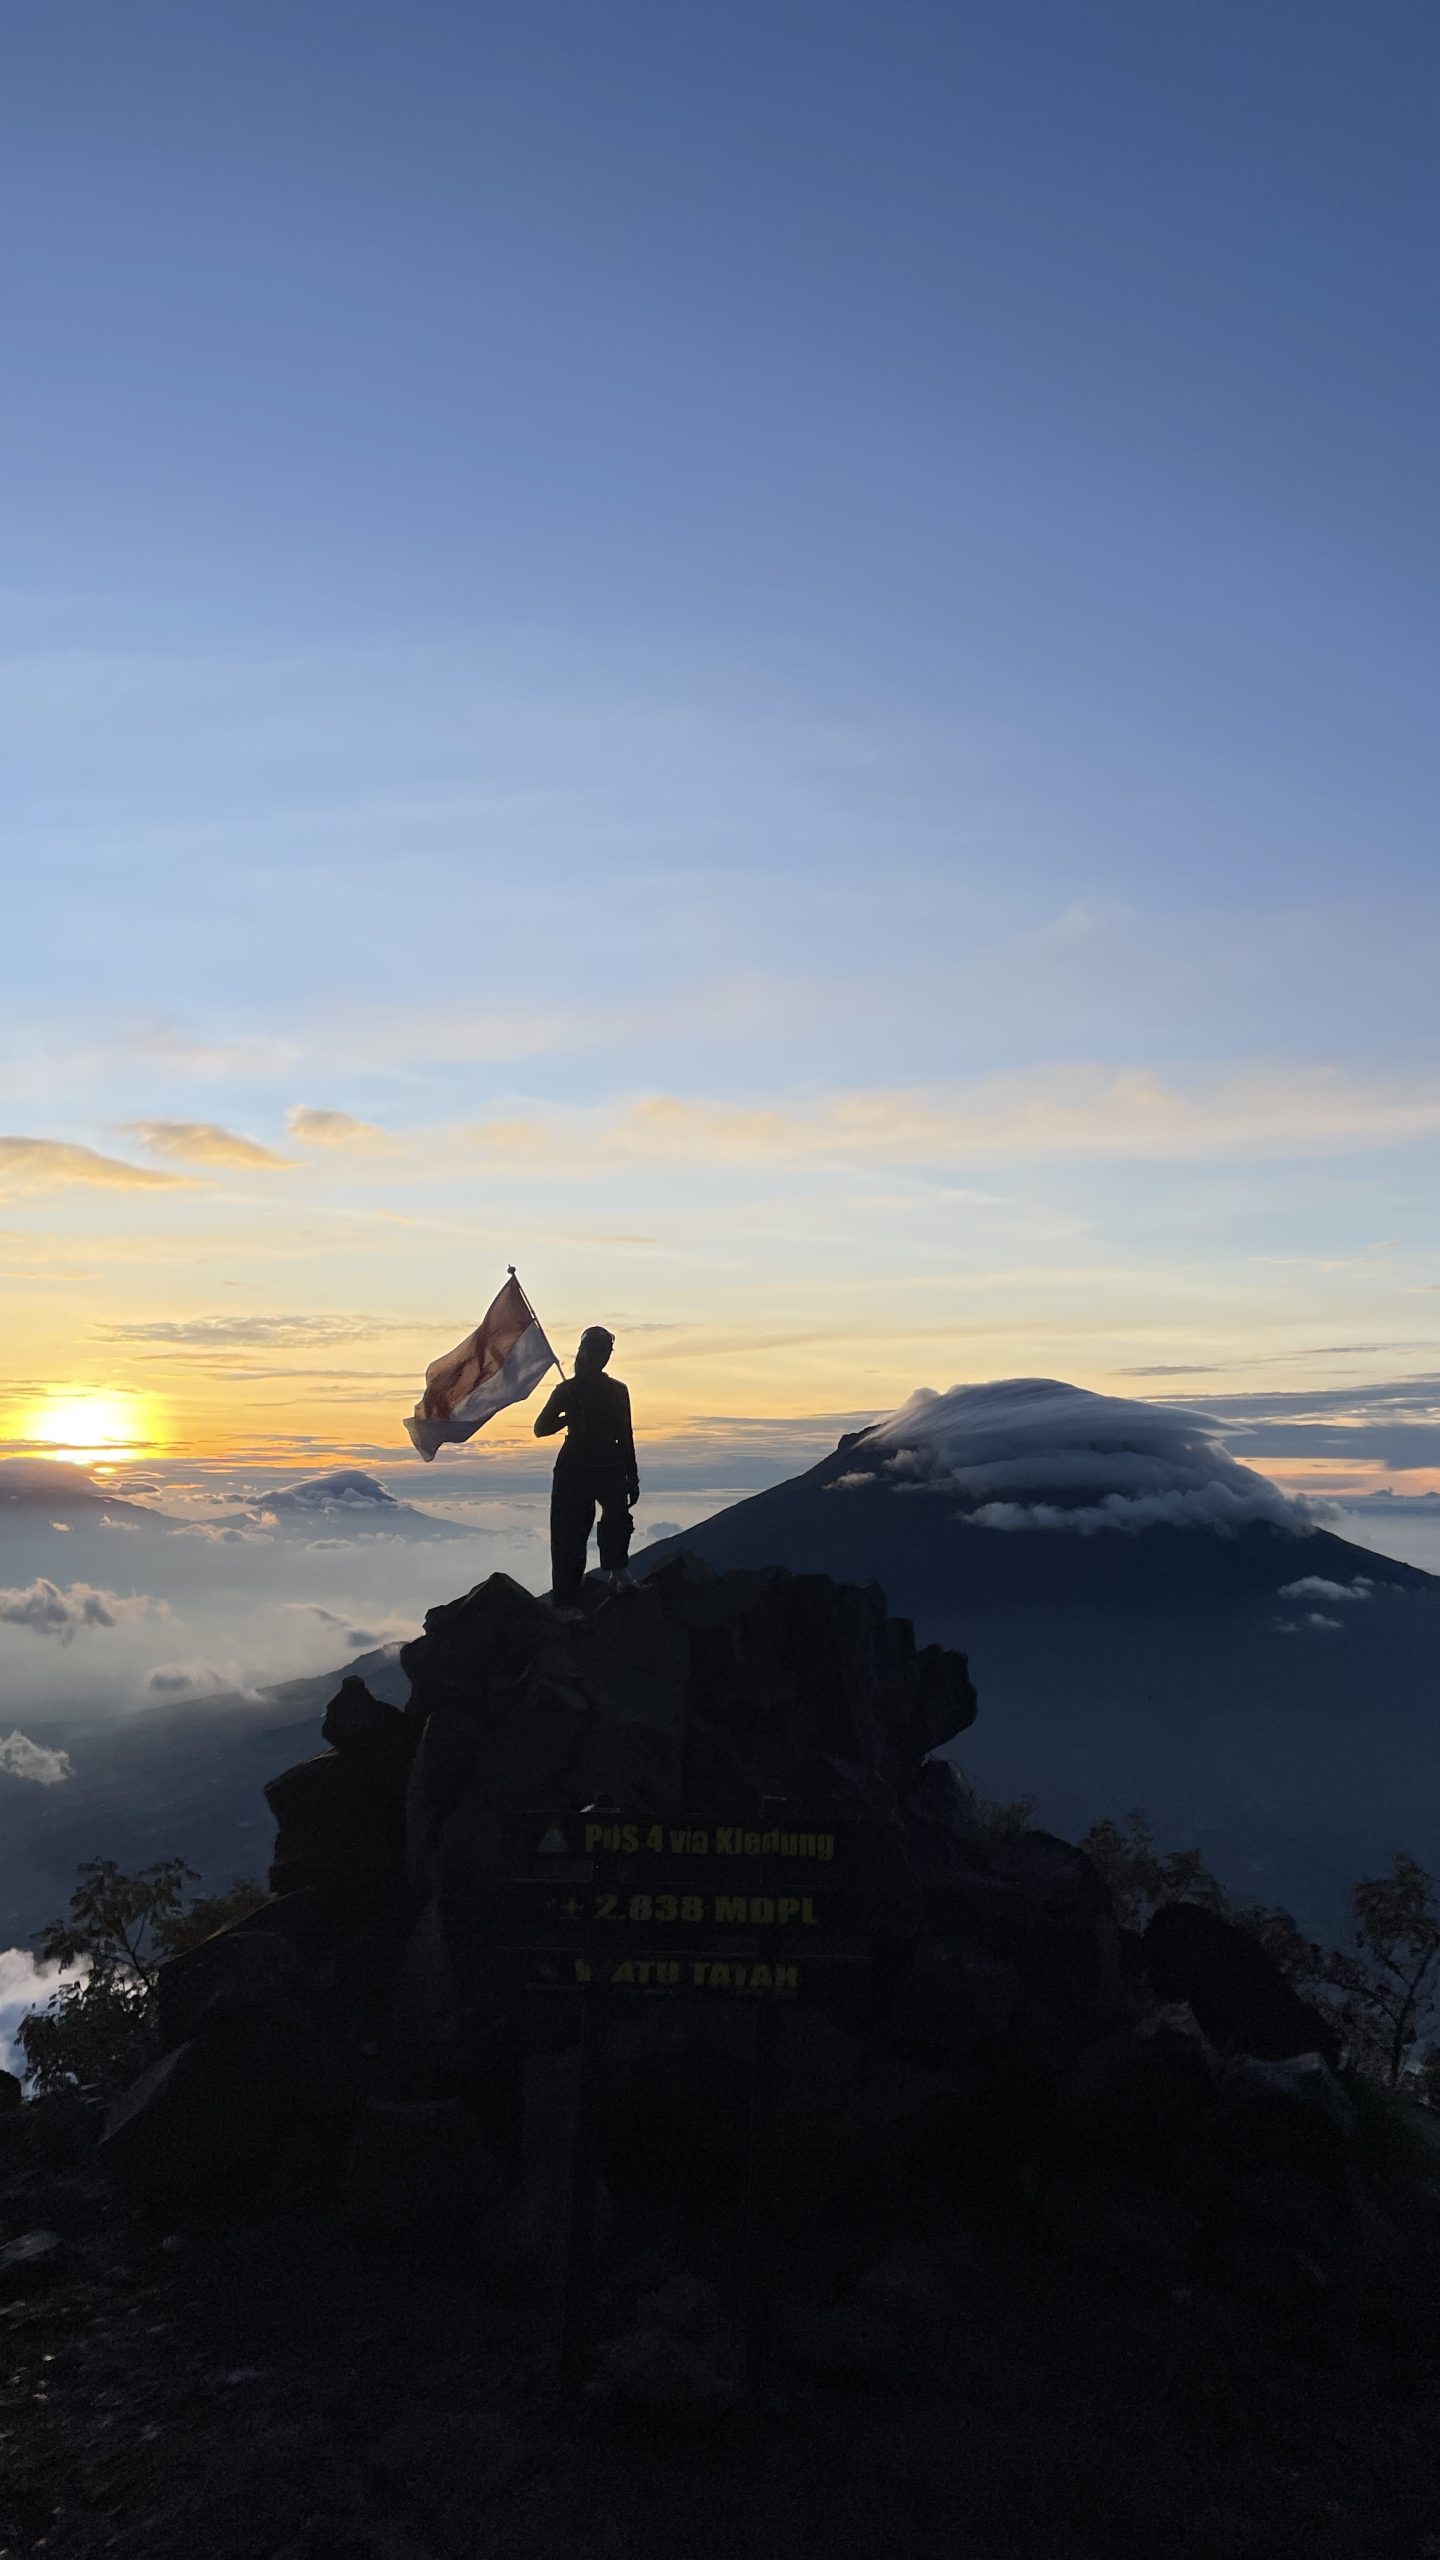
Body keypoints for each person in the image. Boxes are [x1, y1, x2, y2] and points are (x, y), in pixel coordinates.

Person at [533, 1325, 639, 1607]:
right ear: (587, 1353)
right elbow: (540, 1428)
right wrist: (569, 1418)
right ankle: (567, 1597)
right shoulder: (568, 1390)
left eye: (606, 1352)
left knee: (617, 1521)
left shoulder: (617, 1390)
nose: (602, 1356)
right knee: (569, 1535)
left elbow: (625, 1433)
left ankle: (618, 1572)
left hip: (607, 1463)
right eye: (598, 1351)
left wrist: (632, 1475)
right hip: (577, 1467)